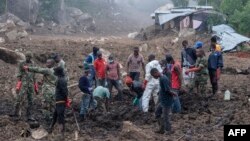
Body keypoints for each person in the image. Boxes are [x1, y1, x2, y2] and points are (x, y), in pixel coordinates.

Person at [12, 51, 37, 121]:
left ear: (31, 58)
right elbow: (19, 74)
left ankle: (29, 115)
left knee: (31, 100)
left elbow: (34, 75)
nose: (28, 58)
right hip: (23, 83)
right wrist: (18, 86)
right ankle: (16, 113)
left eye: (29, 57)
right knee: (19, 98)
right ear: (25, 57)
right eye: (27, 57)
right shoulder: (21, 63)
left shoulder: (33, 64)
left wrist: (35, 86)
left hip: (31, 84)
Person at [151, 68, 174, 135]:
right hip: (162, 100)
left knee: (166, 116)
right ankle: (162, 129)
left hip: (166, 101)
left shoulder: (163, 79)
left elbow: (168, 90)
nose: (153, 77)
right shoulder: (161, 78)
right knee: (157, 113)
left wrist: (173, 94)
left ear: (156, 72)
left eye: (153, 75)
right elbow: (164, 88)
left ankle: (168, 130)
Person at [48, 67, 68, 136]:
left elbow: (64, 91)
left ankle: (61, 133)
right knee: (55, 115)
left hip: (61, 101)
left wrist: (66, 100)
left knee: (60, 117)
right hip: (58, 101)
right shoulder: (60, 79)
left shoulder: (61, 80)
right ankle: (50, 129)